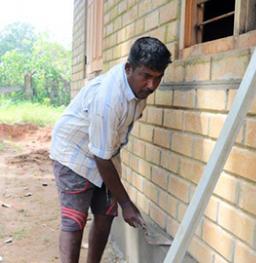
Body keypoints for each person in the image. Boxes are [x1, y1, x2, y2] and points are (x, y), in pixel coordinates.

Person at [49, 36, 171, 263]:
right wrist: (127, 203)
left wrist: (121, 202)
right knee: (74, 221)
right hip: (73, 153)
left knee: (105, 215)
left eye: (158, 78)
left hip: (103, 152)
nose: (152, 85)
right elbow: (100, 156)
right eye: (146, 76)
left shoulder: (138, 89)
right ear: (129, 68)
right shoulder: (108, 100)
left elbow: (105, 152)